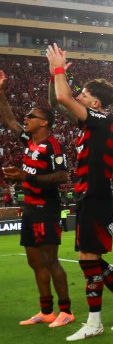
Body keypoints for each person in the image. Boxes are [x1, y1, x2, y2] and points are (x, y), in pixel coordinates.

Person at [45, 44, 113, 341]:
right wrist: (53, 75)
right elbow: (57, 102)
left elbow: (64, 97)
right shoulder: (92, 123)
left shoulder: (101, 121)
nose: (79, 96)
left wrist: (59, 70)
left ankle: (95, 322)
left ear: (97, 103)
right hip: (89, 196)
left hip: (96, 196)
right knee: (91, 259)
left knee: (88, 258)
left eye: (85, 94)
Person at [0, 71, 72, 328]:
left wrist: (26, 177)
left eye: (31, 116)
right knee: (34, 261)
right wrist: (1, 92)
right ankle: (46, 311)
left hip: (46, 209)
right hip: (30, 208)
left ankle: (66, 311)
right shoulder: (29, 141)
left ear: (44, 122)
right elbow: (9, 120)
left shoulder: (53, 146)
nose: (26, 119)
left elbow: (62, 175)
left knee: (51, 260)